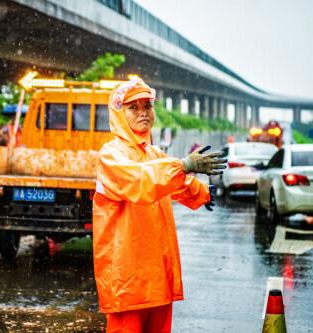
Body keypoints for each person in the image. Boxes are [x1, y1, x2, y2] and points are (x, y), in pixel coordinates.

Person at [93, 79, 226, 333]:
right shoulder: (111, 155)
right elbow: (142, 181)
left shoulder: (154, 155)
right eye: (134, 107)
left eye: (147, 105)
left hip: (157, 282)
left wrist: (204, 193)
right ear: (119, 114)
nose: (143, 112)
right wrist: (184, 165)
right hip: (127, 282)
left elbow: (174, 183)